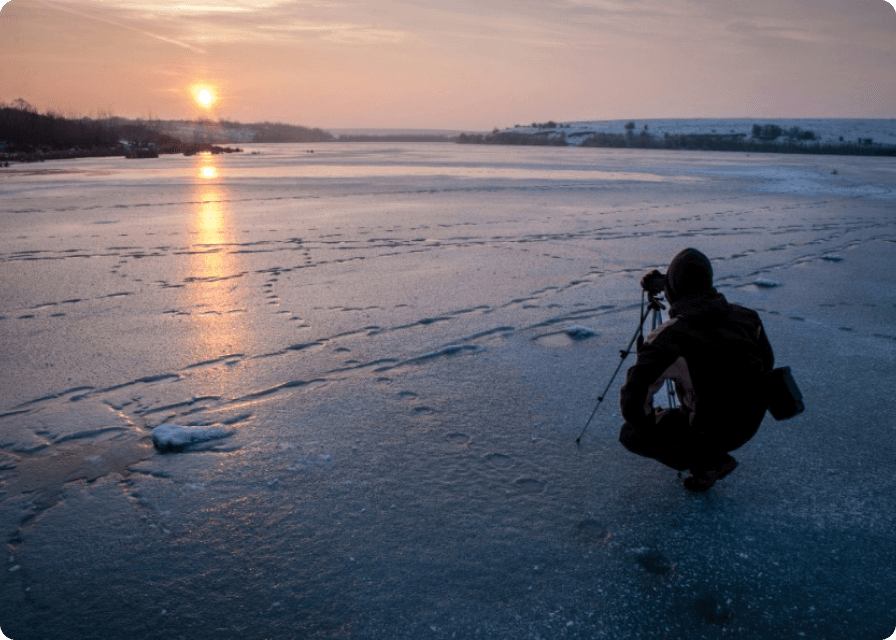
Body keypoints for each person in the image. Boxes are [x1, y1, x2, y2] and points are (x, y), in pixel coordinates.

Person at [618, 248, 774, 491]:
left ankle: (707, 463)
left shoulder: (670, 338)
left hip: (712, 430)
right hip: (750, 422)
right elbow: (767, 362)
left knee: (631, 433)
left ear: (671, 290)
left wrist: (655, 424)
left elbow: (633, 399)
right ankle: (713, 455)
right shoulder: (747, 317)